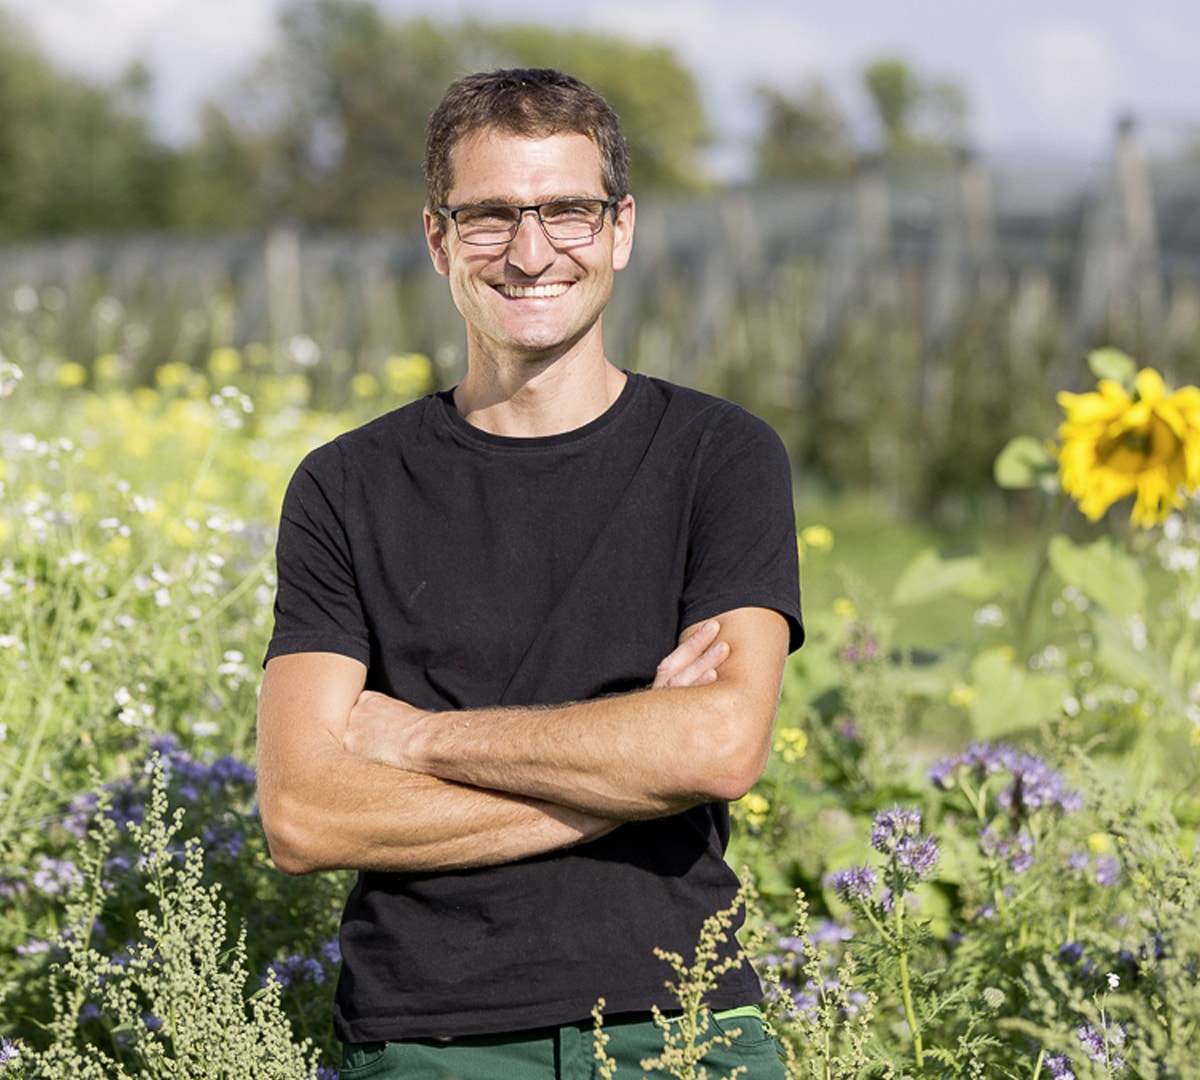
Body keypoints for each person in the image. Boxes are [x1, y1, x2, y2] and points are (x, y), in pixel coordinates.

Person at [256, 67, 804, 1079]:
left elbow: (721, 746)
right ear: (436, 240)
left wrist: (415, 740)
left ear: (622, 229)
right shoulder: (347, 487)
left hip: (681, 1020)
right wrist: (634, 772)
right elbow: (303, 813)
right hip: (431, 1038)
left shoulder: (721, 458)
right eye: (490, 217)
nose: (532, 250)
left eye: (568, 210)